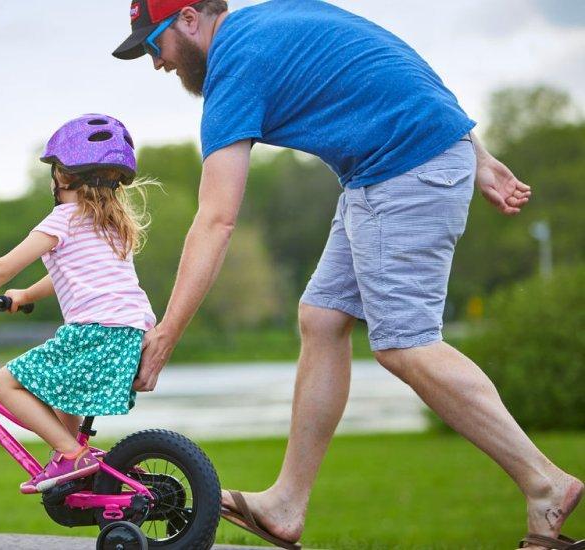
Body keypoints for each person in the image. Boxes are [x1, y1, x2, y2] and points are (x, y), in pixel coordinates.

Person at [110, 1, 582, 548]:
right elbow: (392, 60)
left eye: (154, 43)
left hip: (404, 171)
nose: (156, 61)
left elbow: (216, 219)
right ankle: (286, 504)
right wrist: (473, 149)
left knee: (406, 344)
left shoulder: (234, 69)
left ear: (189, 20)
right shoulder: (277, 17)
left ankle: (545, 483)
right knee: (322, 318)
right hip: (391, 168)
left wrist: (167, 333)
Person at [0, 113, 157, 494]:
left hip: (95, 333)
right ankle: (79, 463)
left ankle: (69, 454)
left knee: (5, 383)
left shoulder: (63, 219)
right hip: (129, 334)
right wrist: (28, 295)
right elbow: (72, 272)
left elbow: (2, 269)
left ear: (62, 177)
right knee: (67, 394)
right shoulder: (111, 225)